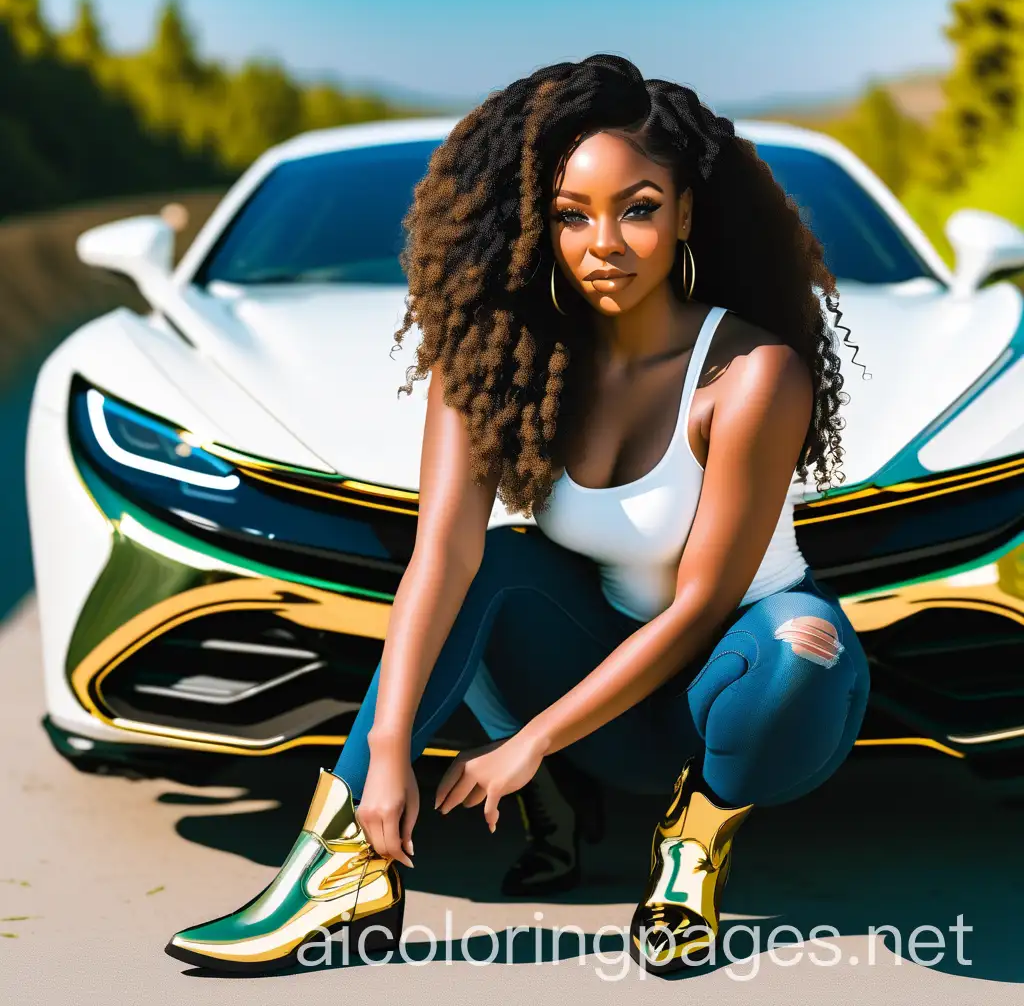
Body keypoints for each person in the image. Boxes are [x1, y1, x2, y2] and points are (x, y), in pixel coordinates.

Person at [164, 53, 870, 976]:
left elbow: (702, 604)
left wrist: (525, 746)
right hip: (592, 678)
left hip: (728, 691)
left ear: (687, 212)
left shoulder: (751, 374)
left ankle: (693, 842)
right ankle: (336, 869)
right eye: (574, 215)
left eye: (639, 208)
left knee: (799, 654)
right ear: (539, 224)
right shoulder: (498, 358)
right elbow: (441, 558)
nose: (603, 243)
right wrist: (385, 754)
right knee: (496, 563)